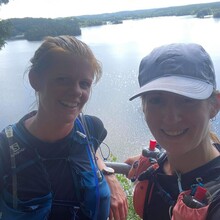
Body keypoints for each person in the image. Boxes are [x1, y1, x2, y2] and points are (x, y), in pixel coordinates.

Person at [0, 35, 128, 220]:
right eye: (63, 80)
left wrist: (108, 175)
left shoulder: (89, 127)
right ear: (35, 80)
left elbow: (90, 148)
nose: (76, 91)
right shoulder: (6, 150)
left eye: (84, 84)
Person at [125, 43, 220, 220]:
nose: (171, 118)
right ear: (144, 107)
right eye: (156, 100)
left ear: (214, 105)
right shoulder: (159, 170)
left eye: (186, 100)